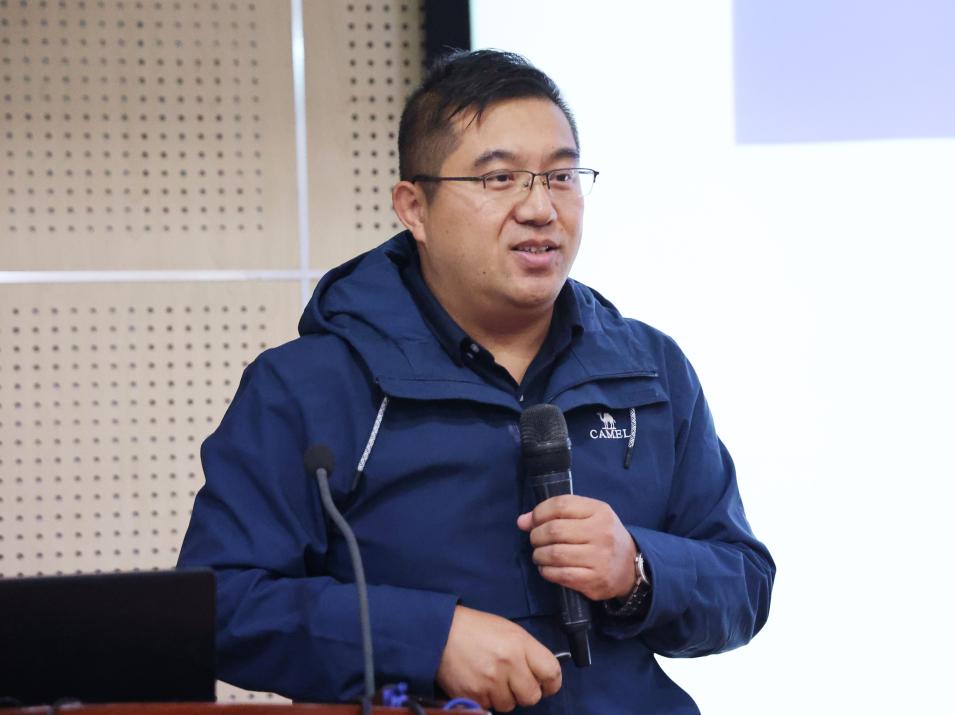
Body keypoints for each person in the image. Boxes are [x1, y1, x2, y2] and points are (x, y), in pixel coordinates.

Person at [178, 49, 775, 714]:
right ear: (415, 208)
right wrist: (428, 639)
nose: (540, 208)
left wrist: (637, 568)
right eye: (500, 179)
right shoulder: (307, 386)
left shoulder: (650, 369)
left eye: (561, 176)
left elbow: (744, 584)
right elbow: (222, 606)